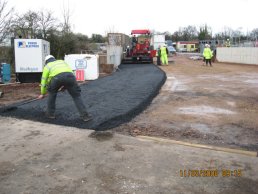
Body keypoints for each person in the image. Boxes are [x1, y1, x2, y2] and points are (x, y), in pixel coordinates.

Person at [38, 55, 92, 121]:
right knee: (76, 96)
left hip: (56, 79)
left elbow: (44, 81)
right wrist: (65, 86)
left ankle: (50, 114)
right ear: (54, 59)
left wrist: (42, 93)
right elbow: (67, 73)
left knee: (52, 94)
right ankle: (85, 116)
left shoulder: (47, 66)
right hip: (71, 77)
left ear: (46, 61)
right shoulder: (62, 62)